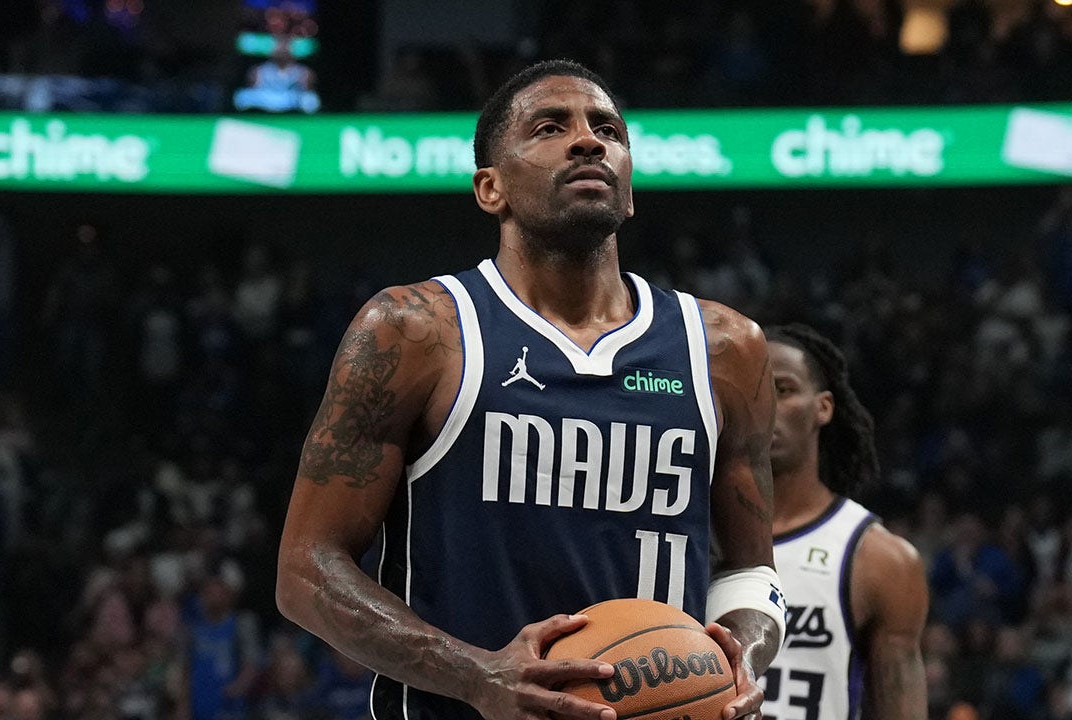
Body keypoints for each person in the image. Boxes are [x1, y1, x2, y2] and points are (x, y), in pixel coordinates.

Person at [276, 59, 784, 720]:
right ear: (491, 188)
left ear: (629, 189)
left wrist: (743, 656)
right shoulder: (416, 331)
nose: (588, 141)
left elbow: (751, 573)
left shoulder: (725, 350)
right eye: (550, 128)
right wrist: (476, 676)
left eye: (608, 130)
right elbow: (305, 569)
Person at [760, 323, 928, 720]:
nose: (763, 407)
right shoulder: (684, 536)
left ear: (823, 407)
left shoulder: (880, 559)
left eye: (782, 390)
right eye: (751, 391)